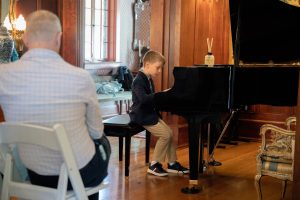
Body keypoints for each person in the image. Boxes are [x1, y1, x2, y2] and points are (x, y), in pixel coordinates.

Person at [0, 10, 110, 200]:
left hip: (37, 174)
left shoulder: (3, 75)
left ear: (25, 38)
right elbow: (96, 131)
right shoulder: (81, 77)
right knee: (102, 143)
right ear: (59, 38)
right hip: (79, 173)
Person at [129, 50, 189, 177]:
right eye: (158, 68)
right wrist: (160, 95)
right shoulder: (138, 80)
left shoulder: (148, 78)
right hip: (141, 115)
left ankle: (172, 163)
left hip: (149, 113)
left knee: (170, 133)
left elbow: (152, 98)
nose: (159, 71)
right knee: (166, 135)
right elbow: (144, 99)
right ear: (147, 64)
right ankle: (154, 164)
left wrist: (163, 97)